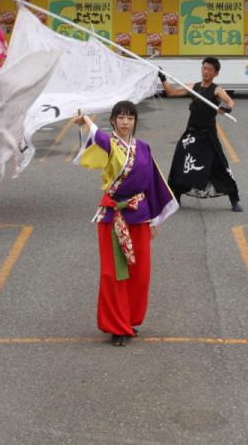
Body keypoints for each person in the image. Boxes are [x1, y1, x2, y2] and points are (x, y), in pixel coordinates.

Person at [76, 102, 178, 345]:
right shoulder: (108, 144)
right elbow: (99, 139)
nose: (125, 122)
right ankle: (117, 326)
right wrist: (86, 121)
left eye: (130, 118)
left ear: (135, 121)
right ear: (113, 120)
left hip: (139, 214)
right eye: (120, 117)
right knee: (114, 274)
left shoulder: (143, 148)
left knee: (139, 273)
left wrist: (153, 219)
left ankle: (129, 320)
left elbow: (152, 183)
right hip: (113, 216)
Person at [161, 57, 242, 212]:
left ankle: (234, 199)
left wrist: (227, 109)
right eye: (204, 68)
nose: (205, 72)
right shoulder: (193, 87)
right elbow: (171, 92)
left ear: (216, 73)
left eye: (209, 69)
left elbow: (230, 102)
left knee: (220, 165)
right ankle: (176, 196)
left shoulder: (217, 90)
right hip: (191, 133)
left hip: (208, 134)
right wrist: (162, 77)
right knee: (180, 161)